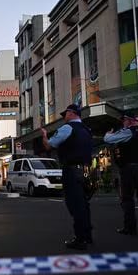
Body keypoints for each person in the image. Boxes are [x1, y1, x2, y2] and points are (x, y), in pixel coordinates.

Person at [40, 104, 93, 250]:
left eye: (65, 114)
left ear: (71, 113)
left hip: (72, 170)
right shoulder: (87, 130)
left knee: (75, 205)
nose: (64, 117)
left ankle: (80, 239)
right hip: (87, 171)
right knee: (84, 204)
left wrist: (44, 136)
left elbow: (50, 146)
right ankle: (87, 235)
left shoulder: (67, 128)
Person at [104, 112, 138, 235]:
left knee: (127, 198)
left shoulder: (128, 132)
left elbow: (108, 139)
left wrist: (109, 134)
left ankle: (130, 227)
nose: (123, 123)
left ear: (128, 120)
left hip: (130, 169)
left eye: (124, 120)